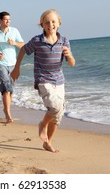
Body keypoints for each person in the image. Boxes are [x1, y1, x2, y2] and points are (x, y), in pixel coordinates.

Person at [10, 9, 76, 153]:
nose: (50, 24)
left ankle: (48, 142)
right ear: (42, 25)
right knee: (55, 107)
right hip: (43, 79)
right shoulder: (37, 41)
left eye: (53, 21)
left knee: (58, 115)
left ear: (59, 23)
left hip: (59, 81)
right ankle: (42, 124)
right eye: (47, 22)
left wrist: (69, 55)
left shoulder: (64, 41)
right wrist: (16, 68)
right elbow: (23, 50)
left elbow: (71, 63)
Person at [0, 11, 24, 123]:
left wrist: (14, 43)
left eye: (9, 19)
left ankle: (5, 107)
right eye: (6, 19)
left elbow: (22, 44)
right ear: (0, 20)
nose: (8, 21)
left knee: (10, 90)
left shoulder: (14, 31)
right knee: (7, 88)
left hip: (13, 64)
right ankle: (8, 114)